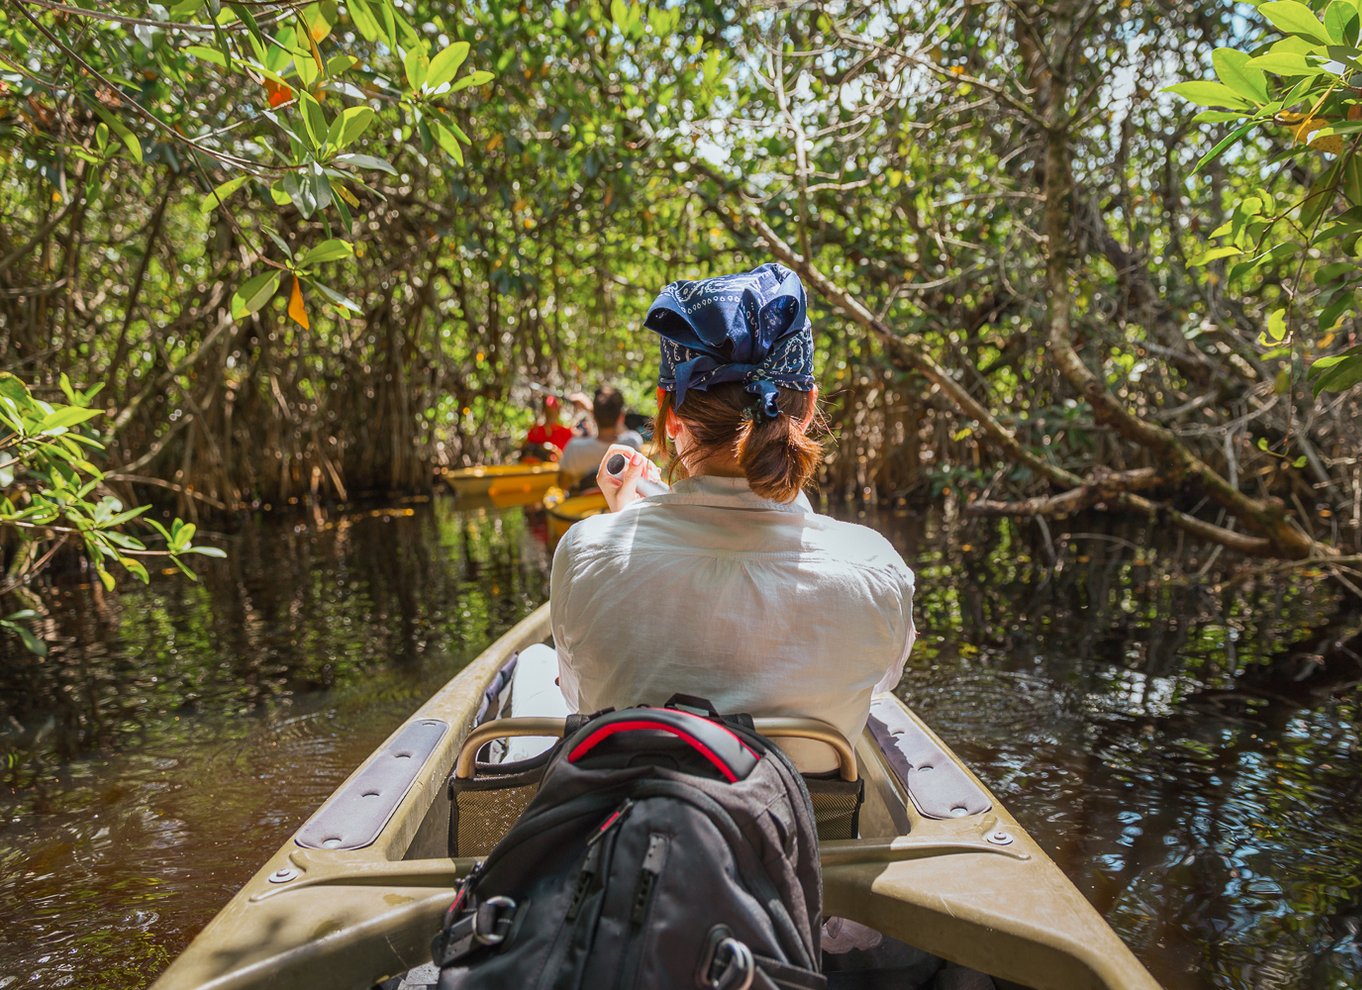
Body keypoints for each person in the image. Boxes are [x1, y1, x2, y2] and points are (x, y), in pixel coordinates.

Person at [549, 263, 916, 772]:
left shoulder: (585, 550)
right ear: (807, 407)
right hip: (802, 838)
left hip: (638, 832)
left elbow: (578, 697)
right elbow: (875, 687)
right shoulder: (875, 566)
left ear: (669, 412)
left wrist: (620, 526)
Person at [556, 385, 644, 492]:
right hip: (620, 508)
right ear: (620, 416)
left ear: (594, 415)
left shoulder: (574, 448)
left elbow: (562, 484)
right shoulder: (631, 444)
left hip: (584, 507)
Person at [521, 394, 574, 462]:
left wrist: (554, 450)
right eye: (548, 409)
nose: (551, 412)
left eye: (554, 408)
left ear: (558, 410)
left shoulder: (566, 432)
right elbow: (525, 456)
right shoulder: (535, 431)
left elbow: (571, 458)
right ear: (545, 410)